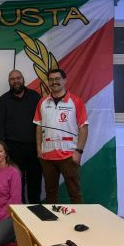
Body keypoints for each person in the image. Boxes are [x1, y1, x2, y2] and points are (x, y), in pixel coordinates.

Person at [34, 69, 89, 204]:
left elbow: (83, 128)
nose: (54, 82)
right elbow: (38, 126)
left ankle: (79, 218)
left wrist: (78, 151)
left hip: (69, 155)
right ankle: (52, 218)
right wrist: (39, 148)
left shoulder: (76, 101)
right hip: (47, 156)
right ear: (48, 82)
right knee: (50, 193)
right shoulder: (42, 102)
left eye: (57, 79)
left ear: (65, 80)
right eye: (51, 79)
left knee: (74, 192)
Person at [0, 70, 41, 203]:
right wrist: (3, 150)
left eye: (18, 78)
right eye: (12, 79)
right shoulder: (3, 100)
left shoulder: (35, 96)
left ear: (23, 79)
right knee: (16, 183)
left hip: (34, 148)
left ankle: (35, 209)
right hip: (13, 149)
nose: (16, 81)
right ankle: (19, 211)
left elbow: (42, 122)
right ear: (9, 82)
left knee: (35, 181)